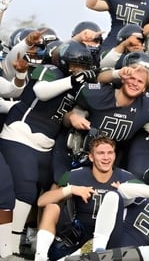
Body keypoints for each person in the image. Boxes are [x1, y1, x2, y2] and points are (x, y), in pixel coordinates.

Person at [0, 40, 97, 259]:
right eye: (74, 64)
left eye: (81, 66)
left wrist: (75, 116)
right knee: (22, 191)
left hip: (45, 146)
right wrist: (72, 79)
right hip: (21, 135)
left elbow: (64, 111)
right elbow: (41, 91)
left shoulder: (78, 83)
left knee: (35, 195)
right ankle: (9, 249)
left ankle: (15, 246)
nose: (77, 69)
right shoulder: (51, 70)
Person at [33, 136, 138, 261]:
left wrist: (128, 192)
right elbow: (42, 201)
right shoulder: (75, 175)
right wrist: (71, 189)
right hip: (80, 236)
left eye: (110, 153)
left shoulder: (127, 178)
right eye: (101, 153)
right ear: (91, 157)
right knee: (51, 207)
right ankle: (40, 257)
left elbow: (147, 200)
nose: (106, 157)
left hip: (111, 239)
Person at [80, 160, 149, 254]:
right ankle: (99, 250)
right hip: (115, 240)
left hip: (141, 254)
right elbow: (122, 190)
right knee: (113, 195)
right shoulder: (141, 192)